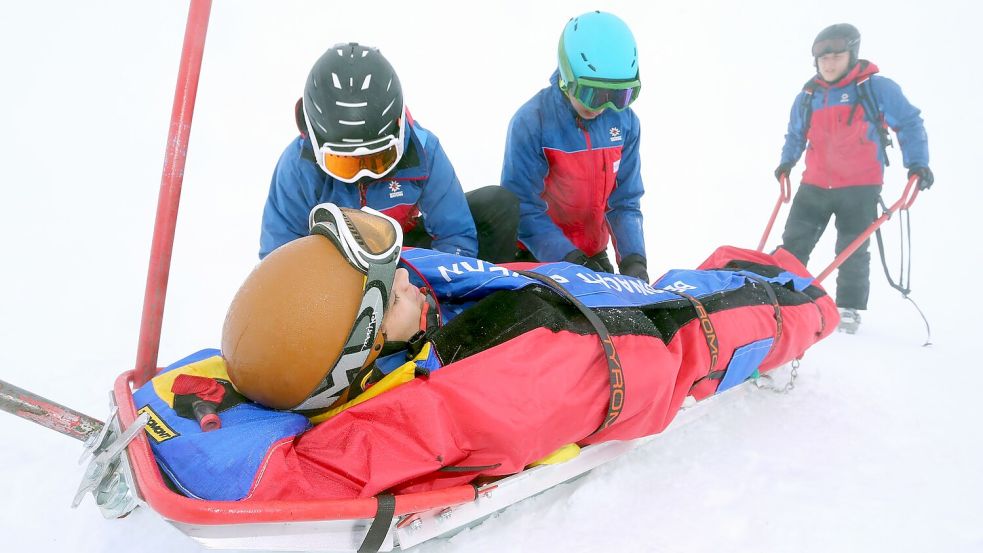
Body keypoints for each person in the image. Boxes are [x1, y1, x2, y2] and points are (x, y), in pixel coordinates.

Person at [134, 203, 835, 502]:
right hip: (625, 350)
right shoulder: (436, 408)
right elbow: (289, 478)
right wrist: (808, 309)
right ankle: (803, 298)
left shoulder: (353, 337)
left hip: (561, 299)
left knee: (691, 285)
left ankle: (760, 273)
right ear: (365, 341)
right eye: (390, 287)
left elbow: (216, 373)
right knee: (718, 322)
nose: (408, 273)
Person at [260, 42, 518, 262]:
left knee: (496, 206)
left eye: (378, 159)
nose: (363, 174)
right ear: (316, 143)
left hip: (399, 258)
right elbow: (279, 259)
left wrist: (430, 297)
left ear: (399, 131)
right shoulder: (298, 168)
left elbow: (455, 234)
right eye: (344, 163)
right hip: (336, 272)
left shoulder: (423, 150)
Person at [774, 23, 932, 334]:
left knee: (853, 250)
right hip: (815, 183)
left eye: (836, 56)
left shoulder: (875, 89)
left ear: (852, 55)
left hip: (860, 186)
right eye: (823, 59)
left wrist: (918, 164)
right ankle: (781, 297)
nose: (829, 63)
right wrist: (786, 163)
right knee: (793, 244)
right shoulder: (807, 97)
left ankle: (848, 310)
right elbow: (795, 134)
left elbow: (910, 123)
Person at [501, 11, 649, 282]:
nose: (605, 107)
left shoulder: (625, 123)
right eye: (592, 94)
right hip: (539, 253)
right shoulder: (533, 123)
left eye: (620, 96)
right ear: (566, 78)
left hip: (592, 254)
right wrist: (569, 259)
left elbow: (624, 201)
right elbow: (523, 207)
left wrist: (634, 260)